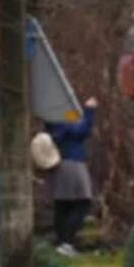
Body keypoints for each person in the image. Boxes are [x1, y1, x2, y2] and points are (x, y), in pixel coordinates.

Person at [44, 97, 98, 255]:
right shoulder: (63, 116)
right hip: (72, 162)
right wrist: (89, 111)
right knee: (83, 202)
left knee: (63, 204)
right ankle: (66, 242)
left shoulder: (54, 116)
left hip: (62, 162)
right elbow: (81, 131)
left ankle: (63, 243)